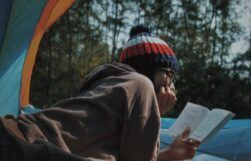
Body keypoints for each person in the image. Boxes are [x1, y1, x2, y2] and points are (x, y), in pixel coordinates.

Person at [0, 25, 200, 161]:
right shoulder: (141, 84)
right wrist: (154, 111)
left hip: (14, 137)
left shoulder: (111, 86)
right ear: (150, 69)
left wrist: (168, 154)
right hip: (18, 146)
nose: (172, 85)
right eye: (169, 75)